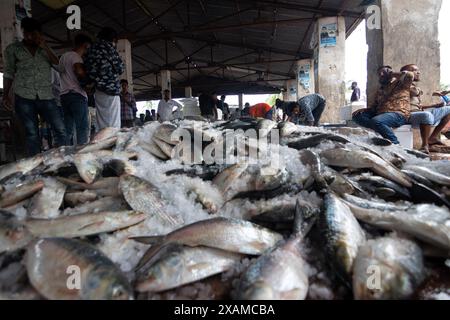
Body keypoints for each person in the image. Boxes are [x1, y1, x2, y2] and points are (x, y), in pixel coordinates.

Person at [2, 17, 66, 156]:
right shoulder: (13, 49)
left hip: (46, 96)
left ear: (39, 34)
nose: (30, 36)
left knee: (60, 129)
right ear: (23, 32)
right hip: (24, 97)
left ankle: (65, 159)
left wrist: (45, 47)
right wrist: (5, 94)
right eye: (27, 33)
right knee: (31, 134)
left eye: (33, 33)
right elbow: (8, 73)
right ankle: (36, 164)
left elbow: (59, 67)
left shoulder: (45, 50)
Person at [353, 66, 412, 145]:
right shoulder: (381, 89)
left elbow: (409, 75)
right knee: (357, 116)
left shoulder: (401, 83)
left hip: (398, 114)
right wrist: (366, 110)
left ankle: (395, 144)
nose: (381, 74)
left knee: (377, 121)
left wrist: (391, 73)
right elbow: (375, 106)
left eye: (384, 72)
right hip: (382, 114)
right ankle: (381, 130)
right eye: (379, 73)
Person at [85, 27, 125, 131]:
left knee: (101, 121)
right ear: (113, 39)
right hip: (111, 89)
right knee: (113, 124)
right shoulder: (109, 48)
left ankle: (102, 142)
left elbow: (88, 70)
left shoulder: (92, 49)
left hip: (98, 90)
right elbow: (120, 68)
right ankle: (113, 144)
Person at [405, 64, 450, 153]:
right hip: (407, 115)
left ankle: (433, 138)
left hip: (418, 112)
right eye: (414, 70)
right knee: (426, 114)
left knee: (448, 109)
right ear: (406, 73)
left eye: (418, 70)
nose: (418, 72)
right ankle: (424, 146)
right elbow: (414, 92)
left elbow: (418, 106)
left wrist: (435, 105)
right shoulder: (403, 85)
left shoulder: (413, 86)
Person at [59, 33, 92, 146]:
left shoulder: (63, 56)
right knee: (82, 127)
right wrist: (87, 85)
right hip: (77, 95)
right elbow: (79, 71)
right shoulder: (76, 57)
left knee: (68, 128)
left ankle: (65, 153)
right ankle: (81, 154)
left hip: (64, 96)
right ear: (86, 45)